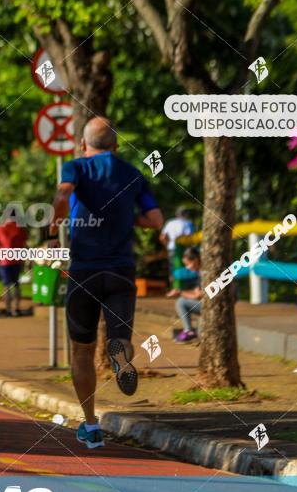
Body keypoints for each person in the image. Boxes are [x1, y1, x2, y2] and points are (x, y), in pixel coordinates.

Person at [47, 117, 163, 450]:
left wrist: (51, 234)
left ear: (84, 145)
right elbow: (155, 220)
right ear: (115, 146)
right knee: (120, 336)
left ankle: (91, 424)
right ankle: (121, 358)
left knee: (81, 350)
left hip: (84, 270)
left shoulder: (76, 168)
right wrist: (127, 218)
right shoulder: (133, 174)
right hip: (121, 270)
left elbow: (62, 195)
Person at [0, 217, 30, 317]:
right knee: (16, 284)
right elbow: (25, 244)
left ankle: (8, 310)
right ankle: (17, 309)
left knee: (7, 285)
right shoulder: (20, 228)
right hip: (16, 260)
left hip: (4, 261)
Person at [166, 247, 203, 342]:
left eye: (188, 264)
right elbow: (196, 292)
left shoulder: (204, 272)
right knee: (182, 300)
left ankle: (189, 331)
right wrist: (181, 292)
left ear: (196, 260)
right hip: (208, 303)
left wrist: (180, 293)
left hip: (213, 305)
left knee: (181, 302)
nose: (187, 268)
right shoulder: (199, 272)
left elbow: (198, 296)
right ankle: (190, 330)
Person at [160, 207, 195, 291]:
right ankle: (183, 288)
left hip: (171, 248)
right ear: (186, 214)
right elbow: (189, 237)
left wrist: (167, 246)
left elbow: (162, 237)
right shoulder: (187, 223)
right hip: (183, 249)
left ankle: (173, 288)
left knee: (172, 268)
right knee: (184, 267)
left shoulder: (170, 222)